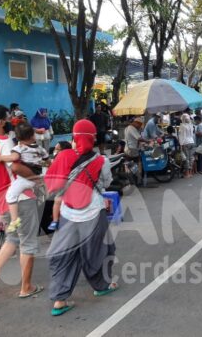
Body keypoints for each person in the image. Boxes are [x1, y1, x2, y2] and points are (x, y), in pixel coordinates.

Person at [44, 119, 117, 316]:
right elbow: (106, 183)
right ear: (93, 138)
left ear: (74, 137)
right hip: (93, 211)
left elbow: (52, 181)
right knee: (101, 249)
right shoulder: (101, 160)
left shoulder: (63, 155)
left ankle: (60, 299)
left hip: (67, 212)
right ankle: (101, 285)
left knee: (65, 255)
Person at [0, 105, 43, 298]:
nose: (9, 122)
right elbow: (15, 168)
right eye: (7, 119)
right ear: (0, 122)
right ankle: (26, 287)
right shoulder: (5, 142)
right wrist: (36, 178)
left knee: (12, 239)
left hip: (1, 199)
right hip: (20, 198)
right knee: (28, 242)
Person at [0, 122, 49, 233]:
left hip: (25, 179)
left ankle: (14, 220)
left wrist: (1, 157)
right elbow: (47, 160)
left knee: (10, 196)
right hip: (37, 176)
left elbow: (14, 157)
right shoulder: (39, 148)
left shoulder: (19, 148)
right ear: (33, 136)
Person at [48, 141, 73, 231]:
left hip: (66, 183)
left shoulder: (64, 158)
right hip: (62, 183)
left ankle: (55, 220)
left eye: (57, 149)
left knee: (57, 199)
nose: (55, 150)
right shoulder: (56, 158)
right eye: (55, 148)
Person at [178, 113, 195, 178]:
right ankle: (190, 173)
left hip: (185, 143)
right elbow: (191, 135)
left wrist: (181, 144)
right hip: (192, 142)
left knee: (186, 159)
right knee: (191, 158)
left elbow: (183, 136)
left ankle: (187, 174)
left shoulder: (182, 126)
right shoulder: (191, 125)